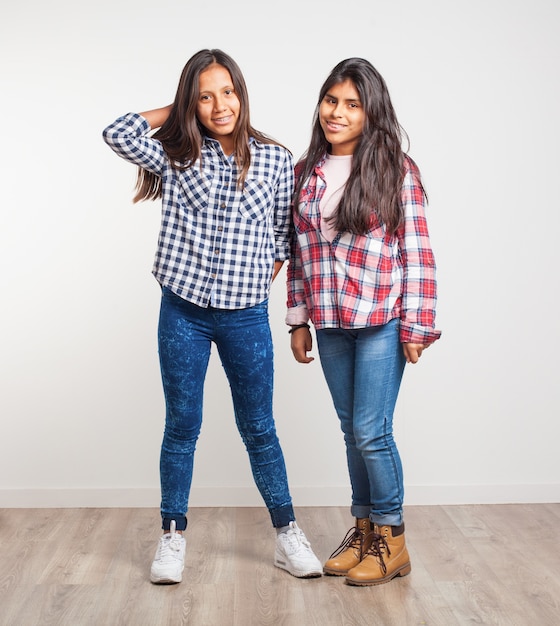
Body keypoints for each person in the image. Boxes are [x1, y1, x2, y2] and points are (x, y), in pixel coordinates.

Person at [102, 49, 322, 584]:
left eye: (227, 92)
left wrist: (249, 285)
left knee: (259, 428)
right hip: (183, 312)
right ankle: (172, 536)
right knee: (182, 425)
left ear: (242, 95)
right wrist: (175, 110)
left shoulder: (275, 159)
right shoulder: (176, 154)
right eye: (204, 95)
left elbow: (281, 237)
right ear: (192, 103)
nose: (219, 105)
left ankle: (286, 533)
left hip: (245, 317)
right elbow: (116, 131)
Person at [286, 57, 441, 587]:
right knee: (352, 432)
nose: (338, 112)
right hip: (329, 323)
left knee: (373, 432)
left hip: (381, 319)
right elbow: (300, 251)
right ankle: (363, 532)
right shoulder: (306, 171)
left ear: (372, 113)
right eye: (332, 100)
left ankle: (391, 539)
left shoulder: (397, 170)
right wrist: (298, 320)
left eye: (352, 104)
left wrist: (418, 325)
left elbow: (417, 251)